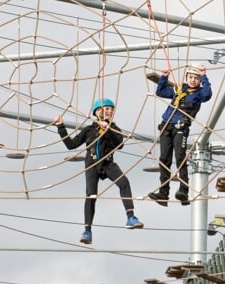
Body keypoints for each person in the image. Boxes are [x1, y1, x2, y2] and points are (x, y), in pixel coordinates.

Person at [55, 98, 143, 243]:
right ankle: (87, 231)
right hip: (92, 164)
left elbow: (119, 144)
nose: (109, 111)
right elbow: (71, 145)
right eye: (105, 109)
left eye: (111, 109)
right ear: (97, 112)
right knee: (91, 195)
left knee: (124, 182)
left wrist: (108, 130)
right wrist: (61, 127)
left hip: (107, 163)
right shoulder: (89, 130)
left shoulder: (114, 128)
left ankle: (130, 217)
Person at [149, 65, 212, 206]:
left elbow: (207, 95)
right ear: (186, 78)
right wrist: (164, 77)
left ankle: (184, 190)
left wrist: (204, 76)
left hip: (180, 127)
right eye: (191, 77)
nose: (193, 80)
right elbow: (160, 92)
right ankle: (163, 193)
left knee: (180, 156)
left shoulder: (200, 93)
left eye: (196, 78)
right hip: (166, 126)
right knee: (164, 158)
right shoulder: (178, 90)